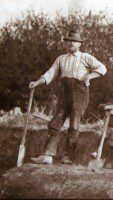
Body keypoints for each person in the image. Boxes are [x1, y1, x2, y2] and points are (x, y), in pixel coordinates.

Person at [29, 29, 107, 164]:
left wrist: (90, 76)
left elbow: (102, 68)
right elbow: (50, 73)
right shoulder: (61, 59)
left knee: (74, 125)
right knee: (55, 123)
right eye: (69, 41)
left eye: (74, 41)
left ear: (79, 44)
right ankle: (47, 155)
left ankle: (68, 156)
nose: (71, 43)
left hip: (79, 93)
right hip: (64, 93)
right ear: (66, 43)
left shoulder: (85, 57)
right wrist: (37, 83)